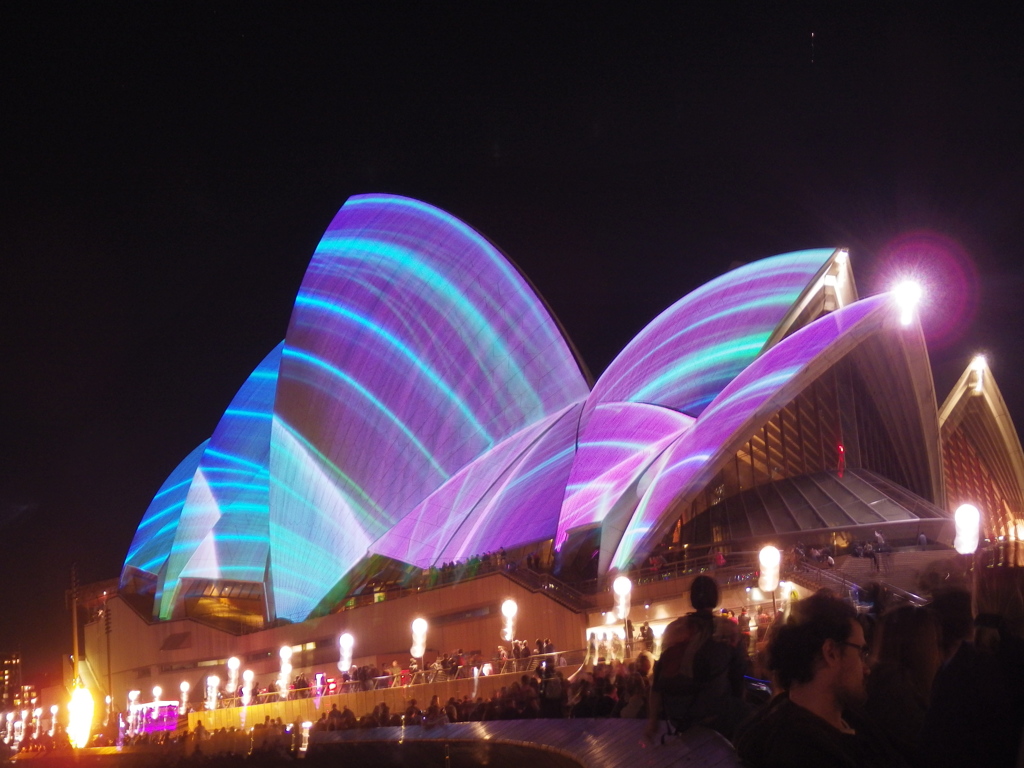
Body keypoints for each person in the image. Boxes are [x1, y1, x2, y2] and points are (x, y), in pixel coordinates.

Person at [734, 591, 907, 768]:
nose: (867, 668)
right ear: (831, 652)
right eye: (861, 653)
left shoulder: (846, 719)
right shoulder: (800, 754)